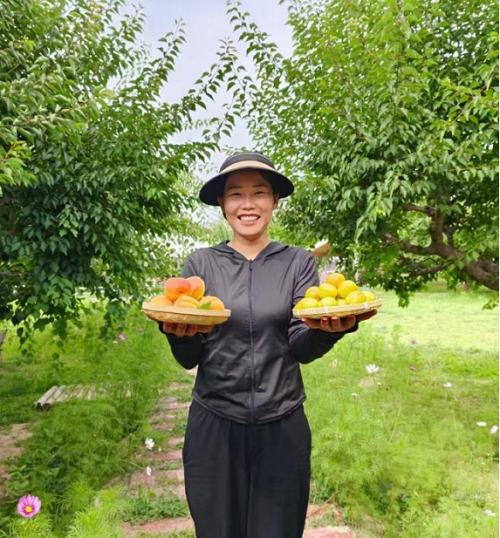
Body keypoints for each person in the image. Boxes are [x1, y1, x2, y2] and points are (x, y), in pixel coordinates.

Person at [158, 152, 377, 538]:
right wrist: (178, 333)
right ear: (222, 203)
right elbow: (189, 358)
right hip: (214, 424)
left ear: (275, 200)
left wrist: (329, 331)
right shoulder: (201, 264)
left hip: (282, 423)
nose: (248, 204)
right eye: (235, 194)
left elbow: (300, 346)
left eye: (259, 192)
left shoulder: (297, 262)